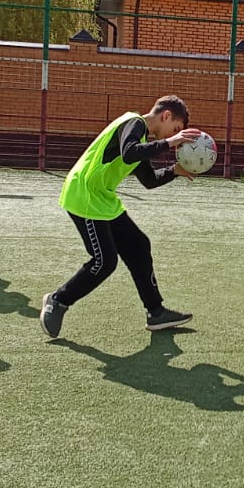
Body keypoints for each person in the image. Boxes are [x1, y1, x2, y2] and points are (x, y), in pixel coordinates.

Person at [40, 96, 201, 339]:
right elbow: (129, 153)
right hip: (84, 196)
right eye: (175, 129)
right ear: (166, 115)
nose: (175, 136)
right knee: (104, 262)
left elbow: (149, 180)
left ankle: (156, 312)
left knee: (139, 245)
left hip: (102, 199)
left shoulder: (142, 140)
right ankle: (58, 300)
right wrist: (169, 142)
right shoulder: (133, 123)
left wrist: (174, 171)